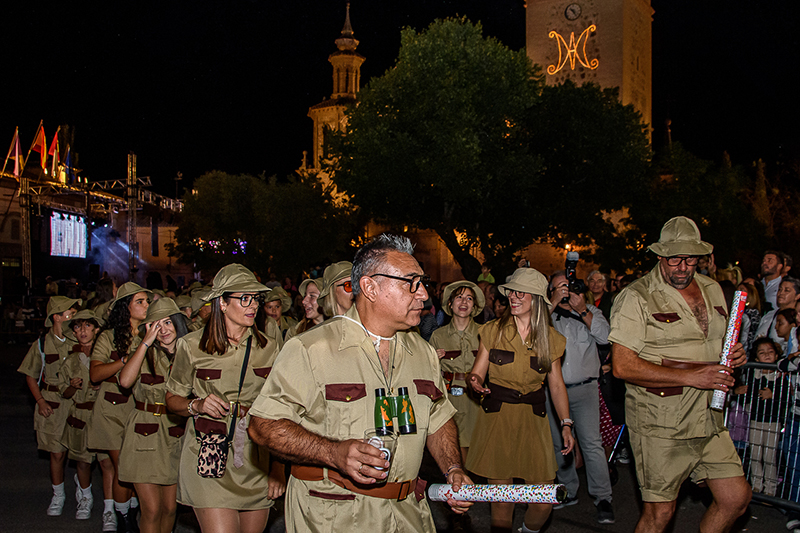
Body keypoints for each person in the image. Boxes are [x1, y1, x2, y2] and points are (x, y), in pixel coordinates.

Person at [248, 234, 472, 533]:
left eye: (423, 283)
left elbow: (438, 417)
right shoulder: (312, 348)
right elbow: (262, 425)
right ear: (369, 287)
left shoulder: (423, 352)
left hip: (408, 515)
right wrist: (333, 453)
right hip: (335, 517)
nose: (423, 295)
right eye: (411, 283)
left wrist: (453, 469)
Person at [610, 216, 750, 533]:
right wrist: (692, 377)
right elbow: (622, 366)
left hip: (709, 417)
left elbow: (716, 346)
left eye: (689, 259)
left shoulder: (714, 289)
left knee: (736, 499)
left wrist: (733, 355)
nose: (682, 267)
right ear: (660, 257)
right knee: (660, 515)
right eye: (674, 258)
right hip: (661, 424)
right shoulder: (637, 296)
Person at [165, 264, 285, 533]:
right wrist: (196, 405)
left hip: (255, 460)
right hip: (209, 456)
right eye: (244, 298)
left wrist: (277, 469)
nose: (252, 305)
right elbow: (172, 398)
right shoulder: (191, 346)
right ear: (221, 302)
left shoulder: (270, 347)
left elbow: (280, 411)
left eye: (255, 298)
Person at [467, 268, 574, 533]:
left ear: (536, 299)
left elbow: (557, 385)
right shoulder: (492, 331)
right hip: (499, 419)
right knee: (502, 504)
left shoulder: (552, 339)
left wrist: (566, 423)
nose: (513, 297)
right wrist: (475, 382)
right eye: (511, 291)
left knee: (544, 499)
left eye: (520, 292)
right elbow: (477, 372)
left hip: (533, 421)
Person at [547, 271, 614, 524]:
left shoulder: (591, 312)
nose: (566, 290)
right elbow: (532, 332)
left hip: (585, 388)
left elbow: (605, 337)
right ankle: (569, 491)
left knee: (591, 444)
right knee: (559, 445)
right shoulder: (547, 316)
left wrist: (582, 309)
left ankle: (603, 497)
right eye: (559, 287)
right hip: (553, 392)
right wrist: (552, 303)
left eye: (569, 286)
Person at [118, 299, 188, 533]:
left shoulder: (190, 354)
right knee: (152, 509)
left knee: (170, 508)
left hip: (175, 436)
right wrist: (145, 343)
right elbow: (125, 381)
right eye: (156, 325)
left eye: (168, 322)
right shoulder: (144, 352)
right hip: (144, 436)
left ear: (178, 323)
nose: (164, 330)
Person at [89, 282, 153, 531]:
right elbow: (95, 374)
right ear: (125, 307)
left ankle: (131, 513)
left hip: (139, 412)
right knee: (123, 468)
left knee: (137, 470)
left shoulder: (152, 333)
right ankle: (125, 521)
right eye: (140, 301)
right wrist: (125, 360)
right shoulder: (109, 336)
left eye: (147, 301)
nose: (146, 305)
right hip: (112, 411)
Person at [16, 296, 81, 516]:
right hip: (52, 404)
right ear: (57, 317)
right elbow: (30, 375)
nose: (73, 316)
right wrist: (40, 401)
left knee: (81, 454)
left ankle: (83, 491)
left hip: (77, 403)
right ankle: (58, 495)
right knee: (56, 454)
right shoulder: (42, 344)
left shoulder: (79, 341)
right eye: (69, 313)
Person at [59, 309, 117, 528]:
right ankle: (85, 498)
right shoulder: (71, 360)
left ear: (96, 329)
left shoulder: (104, 357)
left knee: (106, 463)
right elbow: (62, 393)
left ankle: (109, 509)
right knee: (82, 462)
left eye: (87, 326)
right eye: (77, 327)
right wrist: (71, 388)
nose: (82, 331)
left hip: (101, 413)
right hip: (80, 415)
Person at [429, 280, 485, 464]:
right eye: (459, 297)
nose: (464, 302)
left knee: (481, 454)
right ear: (450, 304)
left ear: (474, 306)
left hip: (478, 401)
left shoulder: (485, 333)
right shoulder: (438, 336)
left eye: (469, 298)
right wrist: (432, 361)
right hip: (451, 400)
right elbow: (428, 375)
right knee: (456, 453)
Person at [733, 338, 790, 497]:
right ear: (756, 358)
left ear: (776, 355)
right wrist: (738, 392)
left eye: (770, 352)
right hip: (755, 420)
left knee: (770, 456)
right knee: (756, 454)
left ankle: (770, 488)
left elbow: (786, 398)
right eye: (762, 353)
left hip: (773, 422)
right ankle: (756, 484)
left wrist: (773, 395)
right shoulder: (753, 376)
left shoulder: (780, 378)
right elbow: (746, 395)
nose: (766, 355)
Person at [756, 277, 800, 352]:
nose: (781, 293)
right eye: (780, 289)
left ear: (797, 296)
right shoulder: (769, 314)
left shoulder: (797, 319)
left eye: (787, 290)